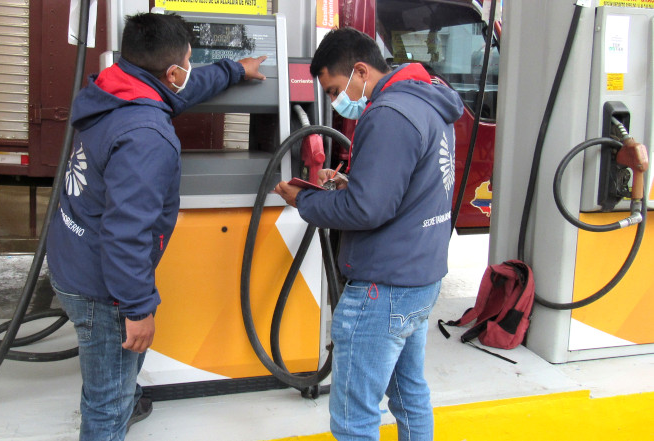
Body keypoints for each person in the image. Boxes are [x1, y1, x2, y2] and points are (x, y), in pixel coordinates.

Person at [46, 12, 266, 441]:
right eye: (188, 62)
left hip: (73, 256)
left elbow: (177, 92)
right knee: (106, 405)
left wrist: (235, 69)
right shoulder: (147, 136)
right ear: (173, 71)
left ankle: (123, 396)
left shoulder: (112, 88)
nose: (188, 72)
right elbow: (126, 234)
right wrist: (138, 309)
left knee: (109, 384)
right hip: (103, 288)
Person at [274, 27, 463, 441]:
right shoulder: (426, 101)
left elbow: (367, 209)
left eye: (334, 89)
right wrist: (350, 184)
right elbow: (410, 187)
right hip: (419, 277)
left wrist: (302, 201)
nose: (335, 100)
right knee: (409, 395)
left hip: (383, 286)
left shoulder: (389, 114)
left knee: (354, 418)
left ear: (360, 70)